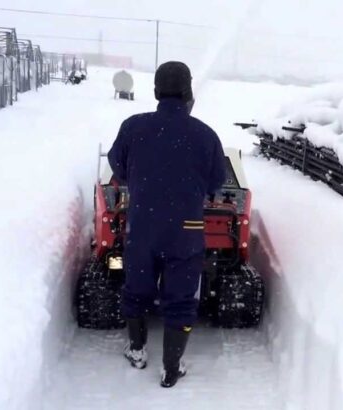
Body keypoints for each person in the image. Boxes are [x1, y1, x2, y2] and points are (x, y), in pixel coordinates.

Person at [107, 61, 226, 388]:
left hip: (142, 224)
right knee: (181, 297)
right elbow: (217, 180)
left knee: (137, 288)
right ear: (189, 92)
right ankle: (172, 366)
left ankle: (136, 349)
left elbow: (117, 164)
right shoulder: (205, 135)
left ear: (156, 91)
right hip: (185, 229)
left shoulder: (133, 127)